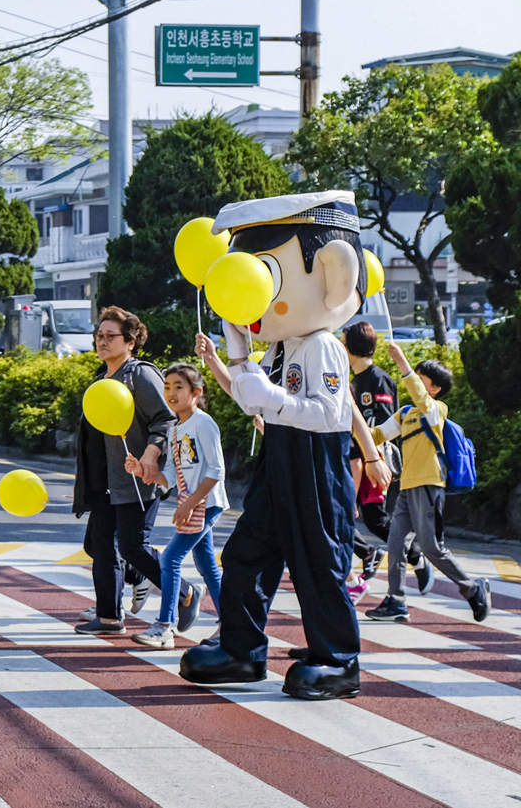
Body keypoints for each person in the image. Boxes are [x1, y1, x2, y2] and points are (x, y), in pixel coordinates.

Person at [179, 191, 392, 701]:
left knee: (318, 560)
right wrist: (237, 357)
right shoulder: (280, 345)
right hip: (280, 458)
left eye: (264, 277)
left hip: (315, 463)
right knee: (248, 551)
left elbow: (326, 414)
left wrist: (272, 399)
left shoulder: (321, 346)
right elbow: (257, 399)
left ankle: (338, 660)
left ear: (331, 273)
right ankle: (242, 649)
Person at [365, 344, 490, 624]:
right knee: (396, 544)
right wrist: (348, 419)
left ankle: (472, 588)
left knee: (432, 548)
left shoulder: (436, 411)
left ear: (434, 389)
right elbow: (376, 435)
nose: (415, 381)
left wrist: (402, 363)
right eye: (416, 375)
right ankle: (396, 601)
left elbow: (421, 399)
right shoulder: (406, 413)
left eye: (421, 378)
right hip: (408, 487)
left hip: (429, 484)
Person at [70, 307, 175, 635]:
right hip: (104, 480)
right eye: (99, 336)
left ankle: (184, 592)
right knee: (99, 546)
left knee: (132, 547)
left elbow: (166, 418)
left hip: (136, 477)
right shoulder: (102, 379)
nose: (102, 341)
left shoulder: (139, 375)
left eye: (110, 336)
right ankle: (109, 617)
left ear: (130, 342)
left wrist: (151, 454)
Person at [130, 362, 226, 649]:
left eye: (179, 387)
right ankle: (231, 624)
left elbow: (216, 471)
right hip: (192, 503)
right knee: (207, 565)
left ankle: (164, 627)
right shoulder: (175, 429)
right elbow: (170, 474)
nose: (171, 393)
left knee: (170, 558)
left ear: (196, 392)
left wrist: (191, 505)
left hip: (206, 503)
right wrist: (143, 471)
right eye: (167, 387)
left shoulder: (203, 423)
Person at [342, 323, 426, 596]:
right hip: (355, 458)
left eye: (343, 342)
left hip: (374, 460)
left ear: (350, 347)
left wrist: (371, 455)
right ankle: (373, 554)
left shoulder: (378, 380)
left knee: (374, 518)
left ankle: (415, 554)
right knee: (360, 516)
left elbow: (388, 424)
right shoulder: (350, 379)